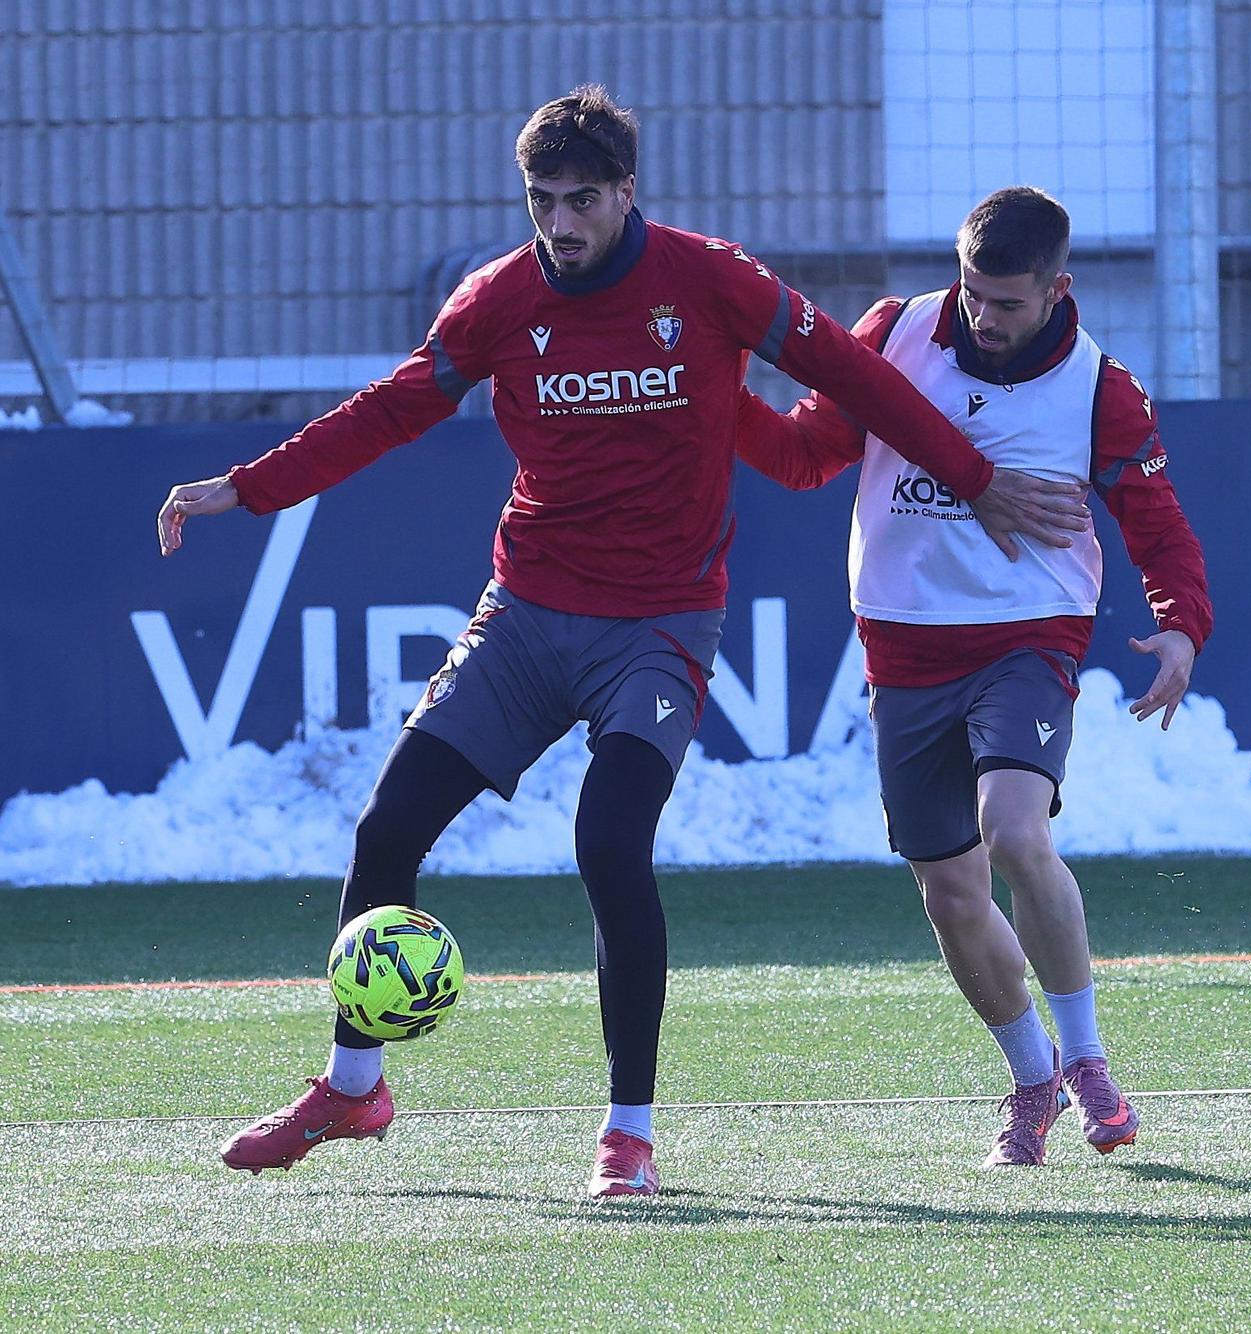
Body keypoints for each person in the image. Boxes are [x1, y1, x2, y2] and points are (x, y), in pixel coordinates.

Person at [154, 89, 1090, 1199]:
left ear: (627, 194)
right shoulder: (496, 301)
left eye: (582, 200)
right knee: (387, 823)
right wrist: (248, 489)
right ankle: (356, 1081)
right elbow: (396, 406)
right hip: (527, 613)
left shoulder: (710, 281)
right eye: (543, 201)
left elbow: (855, 376)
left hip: (658, 624)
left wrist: (975, 481)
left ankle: (627, 1132)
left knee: (607, 842)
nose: (561, 223)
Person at [732, 186, 1213, 1167]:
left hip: (1025, 638)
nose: (980, 318)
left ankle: (1085, 1062)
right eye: (969, 295)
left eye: (1004, 303)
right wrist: (713, 395)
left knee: (1012, 828)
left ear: (1057, 289)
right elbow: (799, 456)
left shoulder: (1098, 388)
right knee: (949, 893)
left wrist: (1179, 629)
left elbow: (1157, 524)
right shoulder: (894, 332)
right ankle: (1029, 1073)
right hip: (902, 649)